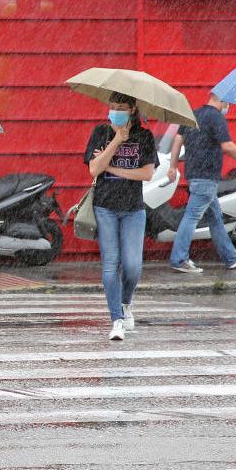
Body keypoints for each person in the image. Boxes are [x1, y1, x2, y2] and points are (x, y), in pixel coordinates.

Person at [84, 92, 157, 343]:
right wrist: (117, 139)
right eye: (112, 106)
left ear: (133, 109)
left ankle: (125, 302)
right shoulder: (101, 132)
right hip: (105, 207)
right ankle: (116, 319)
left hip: (133, 209)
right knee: (110, 265)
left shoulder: (145, 136)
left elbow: (147, 174)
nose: (115, 111)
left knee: (133, 266)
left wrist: (113, 168)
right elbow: (94, 169)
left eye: (121, 107)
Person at [167, 92, 236, 273]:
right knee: (192, 217)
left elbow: (178, 139)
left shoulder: (194, 114)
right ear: (222, 101)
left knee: (215, 218)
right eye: (228, 103)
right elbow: (227, 145)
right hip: (207, 176)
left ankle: (230, 256)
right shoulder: (216, 118)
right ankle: (179, 259)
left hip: (193, 174)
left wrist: (173, 166)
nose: (228, 107)